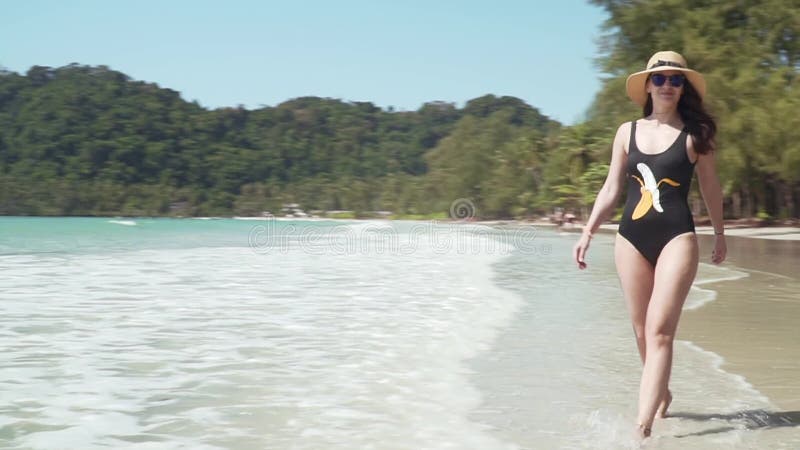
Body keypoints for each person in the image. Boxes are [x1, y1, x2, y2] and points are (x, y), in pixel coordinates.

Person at [571, 51, 727, 438]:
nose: (669, 85)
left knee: (659, 332)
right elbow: (611, 188)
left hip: (677, 237)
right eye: (660, 79)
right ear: (648, 85)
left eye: (676, 79)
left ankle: (642, 428)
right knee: (641, 331)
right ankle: (661, 393)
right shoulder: (627, 132)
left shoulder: (696, 135)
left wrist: (720, 233)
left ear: (683, 86)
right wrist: (588, 230)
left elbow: (710, 187)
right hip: (630, 239)